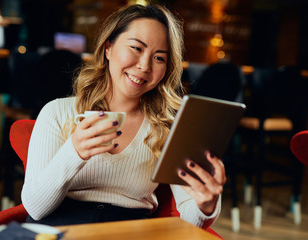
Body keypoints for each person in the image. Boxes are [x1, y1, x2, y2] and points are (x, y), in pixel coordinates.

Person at [21, 3, 226, 229]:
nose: (144, 65)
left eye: (159, 58)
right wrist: (75, 152)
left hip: (130, 231)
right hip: (60, 228)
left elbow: (190, 218)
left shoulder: (170, 127)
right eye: (136, 48)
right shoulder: (57, 112)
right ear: (108, 48)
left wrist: (206, 205)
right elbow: (35, 208)